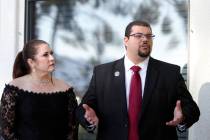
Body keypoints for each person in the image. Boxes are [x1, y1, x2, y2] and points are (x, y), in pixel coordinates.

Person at [76, 20, 200, 140]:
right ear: (126, 40)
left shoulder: (169, 73)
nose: (145, 39)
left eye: (149, 36)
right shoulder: (102, 73)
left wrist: (183, 117)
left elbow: (192, 109)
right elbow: (84, 108)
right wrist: (88, 118)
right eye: (138, 35)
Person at [0, 39, 78, 140]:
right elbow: (6, 131)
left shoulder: (66, 89)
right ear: (31, 62)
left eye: (51, 53)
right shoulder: (13, 89)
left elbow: (72, 129)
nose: (52, 58)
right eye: (45, 55)